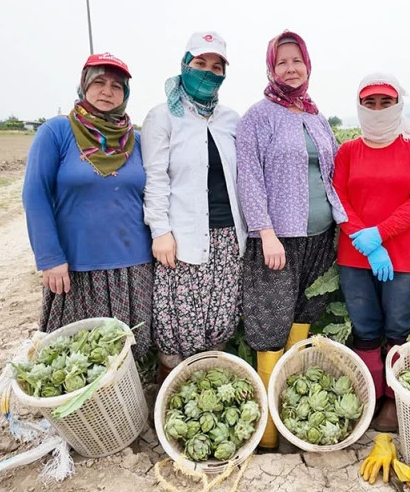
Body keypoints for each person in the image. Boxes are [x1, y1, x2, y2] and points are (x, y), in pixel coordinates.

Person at [236, 30, 346, 448]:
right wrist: (265, 232)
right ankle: (265, 426)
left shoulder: (316, 117)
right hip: (278, 237)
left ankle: (287, 403)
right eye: (281, 62)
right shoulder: (257, 118)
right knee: (270, 319)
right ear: (270, 68)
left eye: (296, 60)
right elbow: (249, 178)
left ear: (308, 65)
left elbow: (331, 175)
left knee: (306, 309)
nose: (290, 68)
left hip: (320, 234)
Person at [22, 52, 152, 359]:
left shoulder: (138, 140)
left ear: (126, 94)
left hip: (134, 268)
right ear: (83, 86)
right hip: (77, 269)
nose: (107, 91)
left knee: (130, 355)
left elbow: (157, 195)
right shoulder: (57, 132)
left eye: (116, 86)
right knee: (80, 359)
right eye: (99, 82)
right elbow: (35, 194)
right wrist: (49, 257)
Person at [141, 31, 248, 387]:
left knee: (220, 316)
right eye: (200, 63)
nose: (208, 72)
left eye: (216, 66)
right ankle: (172, 390)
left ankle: (211, 386)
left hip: (228, 237)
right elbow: (155, 179)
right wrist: (160, 232)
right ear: (184, 65)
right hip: (182, 238)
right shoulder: (162, 117)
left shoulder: (230, 119)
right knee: (177, 321)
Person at [332, 73, 410, 432]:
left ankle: (392, 401)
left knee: (398, 328)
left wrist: (381, 234)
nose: (377, 109)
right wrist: (365, 240)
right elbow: (339, 198)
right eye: (369, 103)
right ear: (360, 107)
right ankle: (371, 393)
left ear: (398, 104)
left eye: (385, 102)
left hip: (404, 256)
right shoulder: (348, 151)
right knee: (366, 329)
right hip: (356, 256)